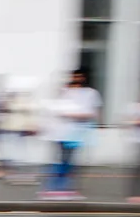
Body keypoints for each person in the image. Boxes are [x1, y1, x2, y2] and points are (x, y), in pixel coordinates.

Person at [41, 69, 100, 199]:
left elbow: (91, 113)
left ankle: (64, 188)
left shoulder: (90, 93)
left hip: (76, 132)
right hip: (62, 132)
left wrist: (72, 115)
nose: (77, 80)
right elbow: (56, 111)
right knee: (63, 160)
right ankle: (55, 188)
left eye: (79, 77)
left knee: (69, 160)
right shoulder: (64, 92)